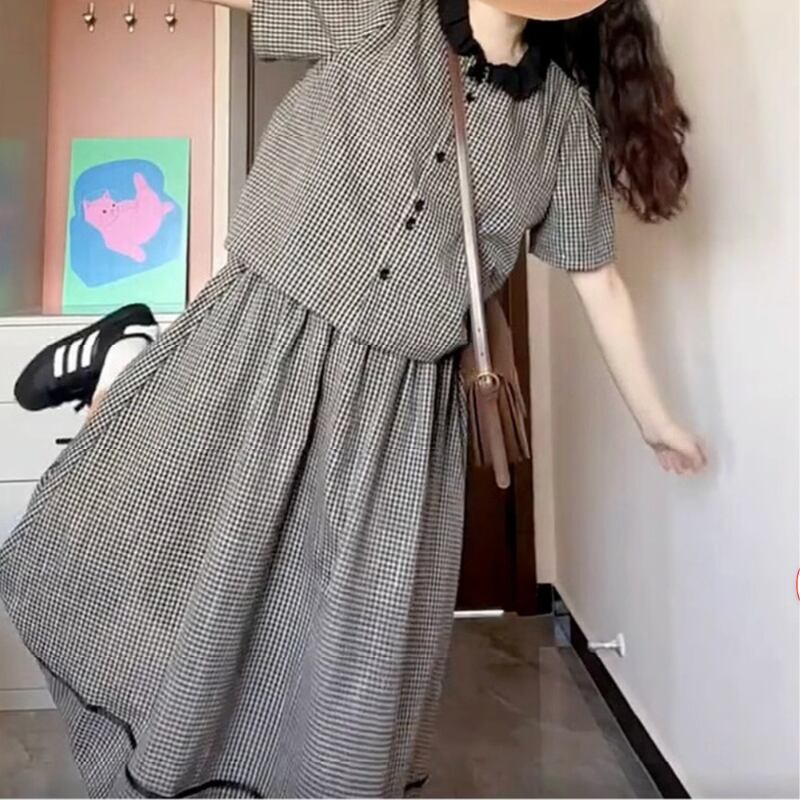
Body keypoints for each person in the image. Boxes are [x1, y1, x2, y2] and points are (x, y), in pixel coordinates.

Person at [0, 0, 707, 796]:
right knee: (170, 555)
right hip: (266, 346)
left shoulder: (561, 123)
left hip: (397, 420)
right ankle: (128, 357)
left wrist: (657, 422)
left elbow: (598, 281)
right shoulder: (386, 12)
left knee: (341, 657)